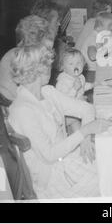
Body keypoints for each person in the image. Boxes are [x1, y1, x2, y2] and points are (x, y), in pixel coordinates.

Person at [8, 44, 104, 199]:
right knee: (107, 179)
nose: (51, 70)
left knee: (110, 160)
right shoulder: (22, 110)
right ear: (38, 70)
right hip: (52, 177)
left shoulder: (47, 92)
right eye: (48, 66)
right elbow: (49, 155)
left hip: (66, 159)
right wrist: (84, 132)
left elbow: (87, 109)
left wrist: (85, 139)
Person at [0, 15, 51, 102]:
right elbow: (35, 92)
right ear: (40, 37)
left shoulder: (14, 52)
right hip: (11, 103)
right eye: (46, 37)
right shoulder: (30, 58)